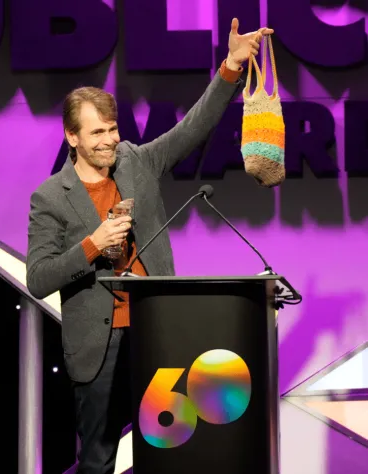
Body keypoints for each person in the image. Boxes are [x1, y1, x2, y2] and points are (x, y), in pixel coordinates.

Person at [26, 18, 274, 474]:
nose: (110, 141)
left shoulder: (135, 161)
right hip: (97, 347)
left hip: (156, 331)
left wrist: (231, 67)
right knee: (97, 461)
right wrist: (92, 245)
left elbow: (190, 130)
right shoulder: (49, 197)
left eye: (113, 129)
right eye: (97, 133)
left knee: (165, 450)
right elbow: (38, 279)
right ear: (72, 137)